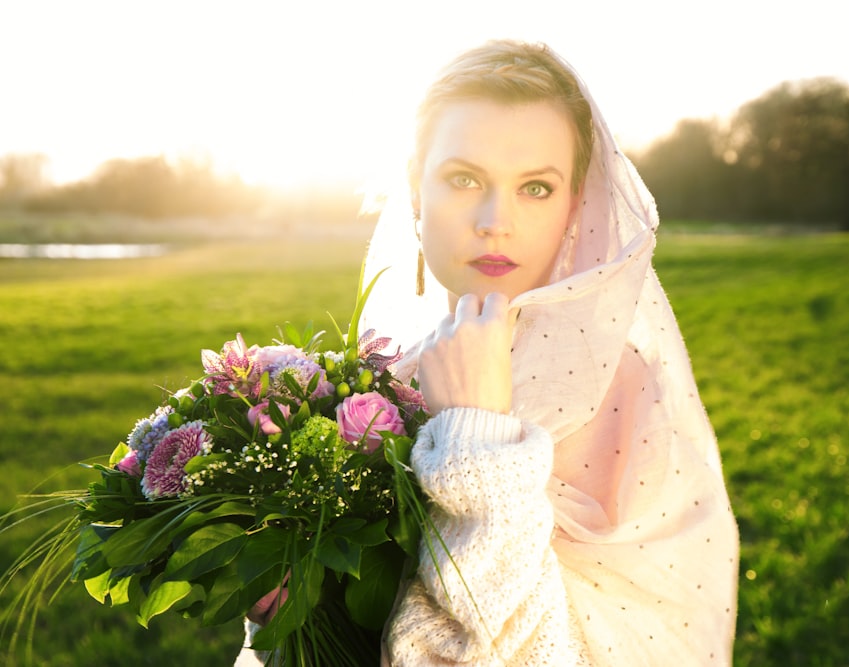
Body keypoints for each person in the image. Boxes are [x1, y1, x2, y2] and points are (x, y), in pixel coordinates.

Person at [238, 39, 739, 666]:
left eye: (535, 188)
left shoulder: (617, 392)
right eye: (463, 178)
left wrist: (477, 441)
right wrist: (291, 613)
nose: (494, 220)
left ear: (574, 207)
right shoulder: (374, 383)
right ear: (416, 193)